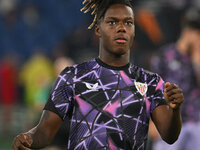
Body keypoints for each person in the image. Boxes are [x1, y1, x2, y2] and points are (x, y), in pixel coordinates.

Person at [12, 0, 184, 149]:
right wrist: (29, 137)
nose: (121, 28)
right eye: (112, 22)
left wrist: (175, 111)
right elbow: (45, 131)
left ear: (134, 31)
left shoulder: (151, 82)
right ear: (98, 30)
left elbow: (169, 137)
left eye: (128, 23)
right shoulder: (72, 76)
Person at [149, 8, 200, 150]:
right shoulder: (165, 54)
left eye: (197, 30)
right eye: (191, 28)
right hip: (169, 120)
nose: (193, 34)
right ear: (184, 29)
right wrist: (151, 121)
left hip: (196, 121)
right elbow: (152, 89)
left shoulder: (197, 57)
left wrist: (197, 60)